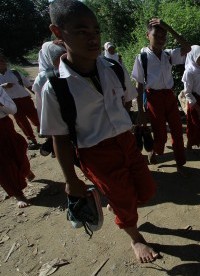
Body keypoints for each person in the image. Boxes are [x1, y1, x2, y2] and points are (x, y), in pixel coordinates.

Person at [43, 0, 158, 263]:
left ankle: (117, 203)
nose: (93, 38)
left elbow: (126, 101)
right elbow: (59, 137)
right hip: (95, 153)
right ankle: (135, 238)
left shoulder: (113, 68)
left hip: (126, 142)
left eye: (96, 31)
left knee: (147, 190)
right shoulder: (55, 87)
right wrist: (71, 180)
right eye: (82, 31)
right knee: (125, 201)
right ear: (58, 33)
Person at [131, 18, 190, 173]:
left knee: (177, 130)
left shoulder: (168, 55)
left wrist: (168, 27)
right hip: (153, 98)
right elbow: (139, 85)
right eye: (157, 35)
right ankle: (153, 151)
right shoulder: (142, 58)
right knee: (160, 134)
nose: (161, 40)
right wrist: (141, 112)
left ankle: (180, 163)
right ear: (147, 35)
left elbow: (187, 47)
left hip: (169, 96)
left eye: (164, 36)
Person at [0, 87, 35, 208]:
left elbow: (13, 109)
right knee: (3, 166)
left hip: (4, 127)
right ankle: (18, 195)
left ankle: (25, 171)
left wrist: (1, 104)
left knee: (18, 152)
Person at [32, 41, 67, 157]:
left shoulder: (71, 69)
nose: (61, 59)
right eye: (56, 57)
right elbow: (42, 107)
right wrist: (48, 130)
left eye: (63, 54)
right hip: (58, 115)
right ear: (47, 58)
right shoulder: (42, 79)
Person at [0, 53, 41, 150]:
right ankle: (32, 140)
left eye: (2, 61)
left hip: (25, 99)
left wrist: (37, 94)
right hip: (11, 103)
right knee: (21, 121)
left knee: (35, 116)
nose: (1, 63)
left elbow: (27, 84)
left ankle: (44, 132)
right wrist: (2, 86)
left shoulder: (14, 72)